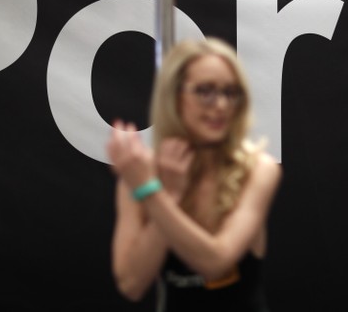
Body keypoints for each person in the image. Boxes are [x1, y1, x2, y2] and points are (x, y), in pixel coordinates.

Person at [107, 37, 282, 312]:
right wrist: (170, 194)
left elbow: (215, 263)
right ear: (174, 97)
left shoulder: (258, 170)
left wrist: (155, 195)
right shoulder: (142, 177)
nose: (221, 105)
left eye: (230, 92)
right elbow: (131, 284)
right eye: (205, 91)